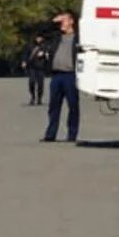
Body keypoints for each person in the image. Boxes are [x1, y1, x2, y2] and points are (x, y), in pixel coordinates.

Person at [42, 9, 80, 143]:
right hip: (57, 75)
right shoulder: (57, 36)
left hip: (70, 75)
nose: (61, 24)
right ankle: (50, 134)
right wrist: (52, 21)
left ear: (71, 21)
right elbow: (42, 33)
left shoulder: (78, 37)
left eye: (64, 20)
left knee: (73, 106)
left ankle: (72, 134)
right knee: (53, 106)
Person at [21, 32, 51, 106]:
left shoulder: (45, 45)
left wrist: (43, 54)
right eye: (37, 37)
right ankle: (33, 97)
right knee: (32, 82)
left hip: (41, 67)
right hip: (32, 67)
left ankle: (39, 98)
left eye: (40, 37)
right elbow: (25, 54)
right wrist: (24, 62)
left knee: (40, 84)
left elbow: (49, 54)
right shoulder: (30, 45)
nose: (38, 39)